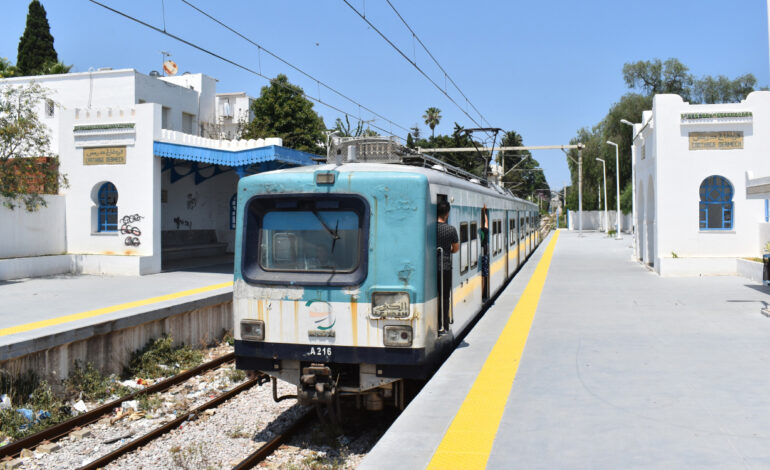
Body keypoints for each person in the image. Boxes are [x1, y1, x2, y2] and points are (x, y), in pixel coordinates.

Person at [437, 200, 459, 332]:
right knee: (445, 297)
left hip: (431, 267)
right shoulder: (451, 229)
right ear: (447, 213)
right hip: (445, 266)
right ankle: (444, 324)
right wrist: (447, 251)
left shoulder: (429, 228)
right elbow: (455, 248)